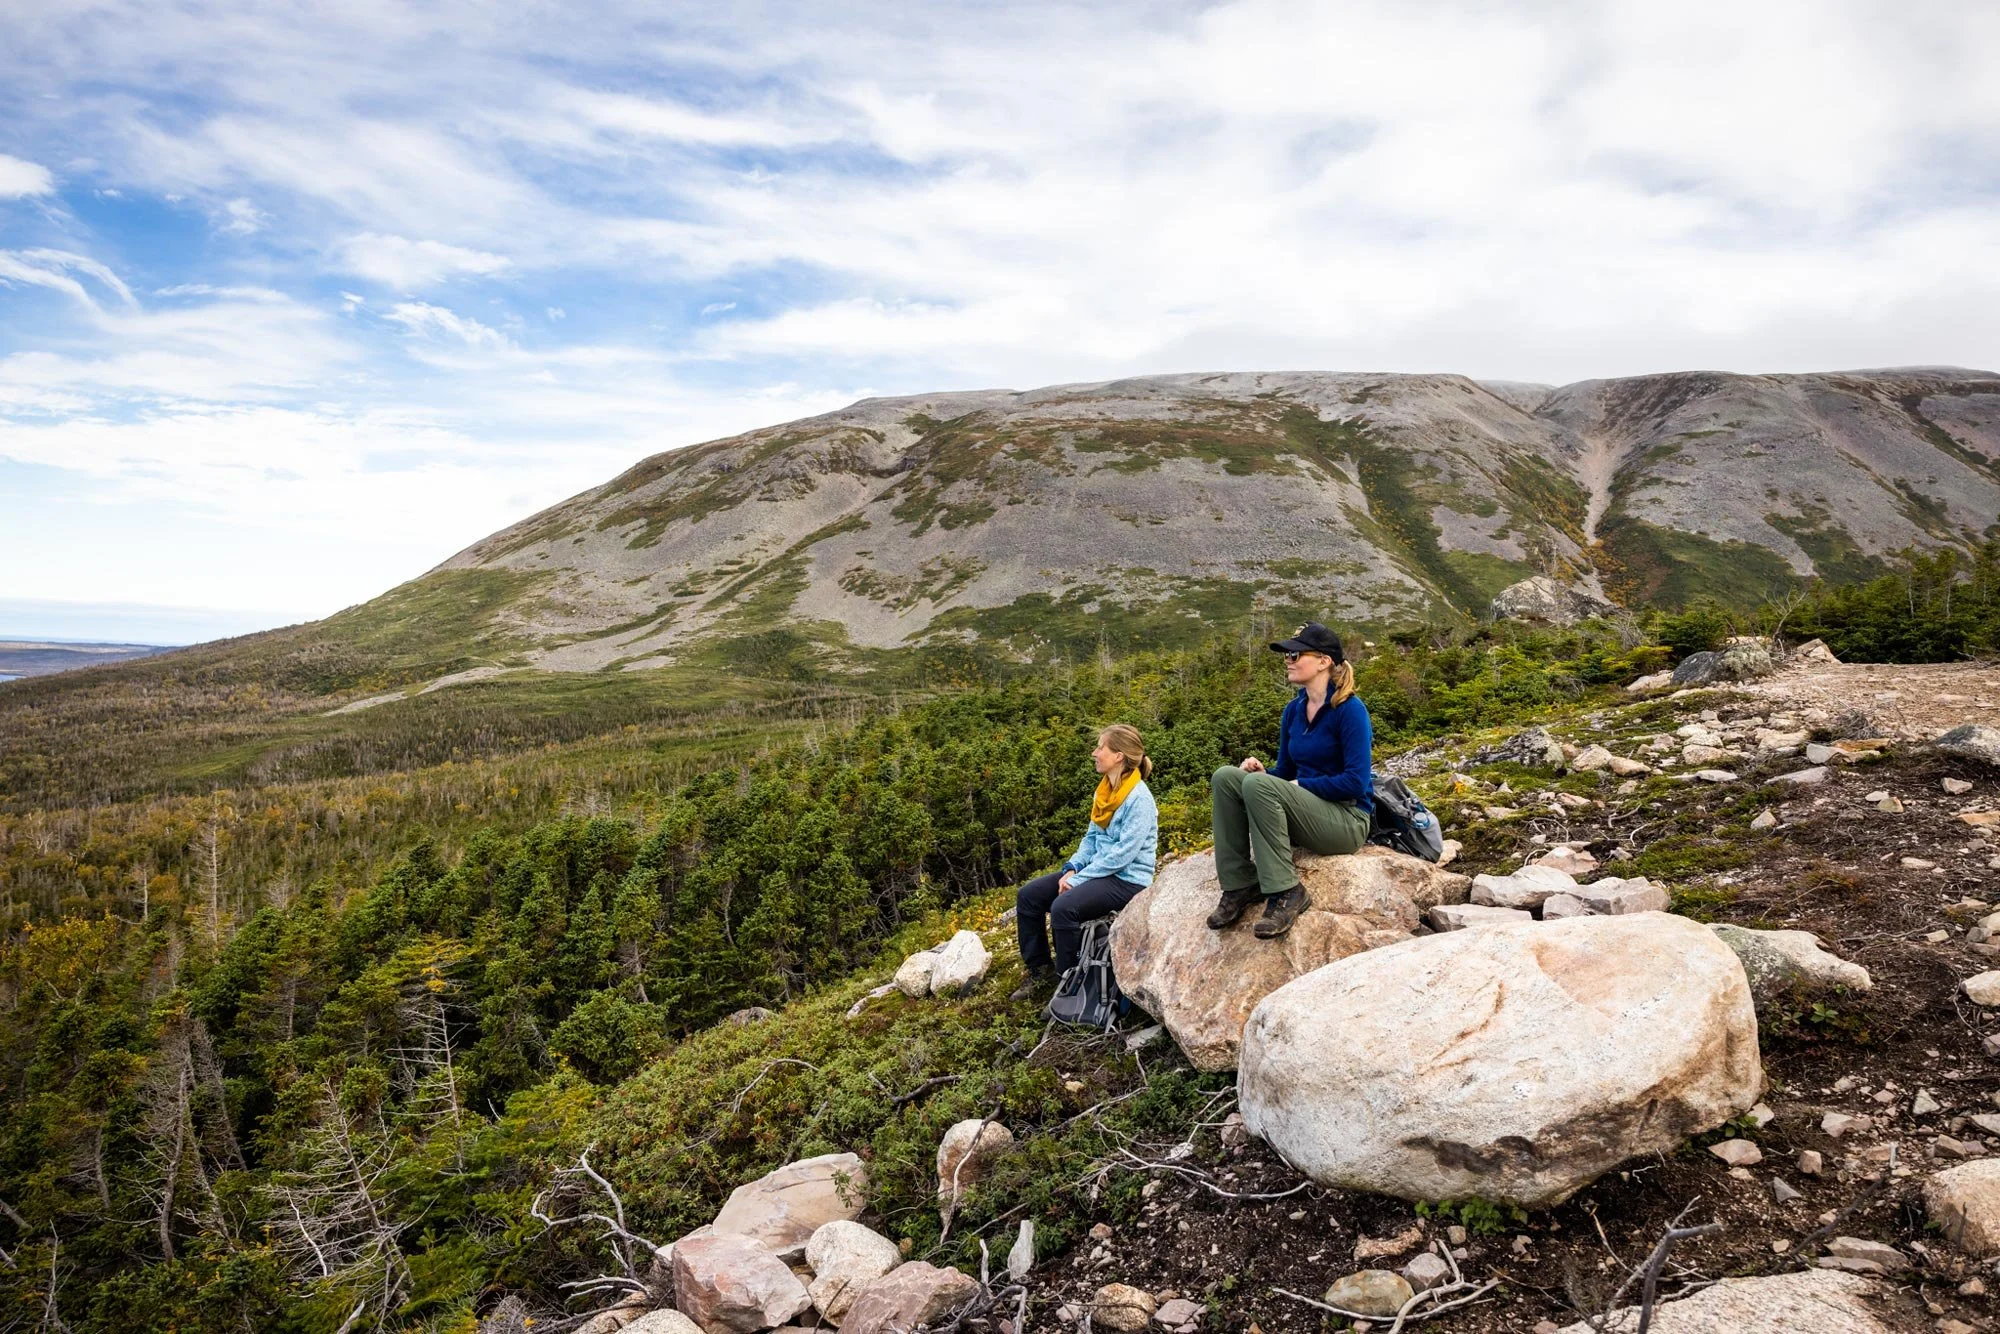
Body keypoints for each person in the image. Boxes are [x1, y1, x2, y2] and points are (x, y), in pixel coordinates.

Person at [1207, 621, 1374, 940]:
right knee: (1227, 777)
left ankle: (1287, 891)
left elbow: (1355, 782)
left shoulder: (1350, 711)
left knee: (1257, 786)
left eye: (1296, 654)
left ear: (1324, 661)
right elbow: (1285, 771)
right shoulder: (1294, 710)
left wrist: (1296, 787)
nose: (1288, 660)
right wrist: (1265, 774)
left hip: (1346, 821)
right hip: (1306, 814)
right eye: (1287, 655)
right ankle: (1241, 883)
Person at [1012, 724, 1158, 999]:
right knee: (1029, 896)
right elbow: (1091, 838)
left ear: (1118, 756)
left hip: (1127, 880)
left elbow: (1124, 854)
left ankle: (1069, 987)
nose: (1094, 752)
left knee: (1063, 907)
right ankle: (1039, 970)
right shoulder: (1104, 792)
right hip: (1099, 872)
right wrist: (1073, 868)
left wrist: (1078, 880)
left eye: (1100, 747)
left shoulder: (1139, 799)